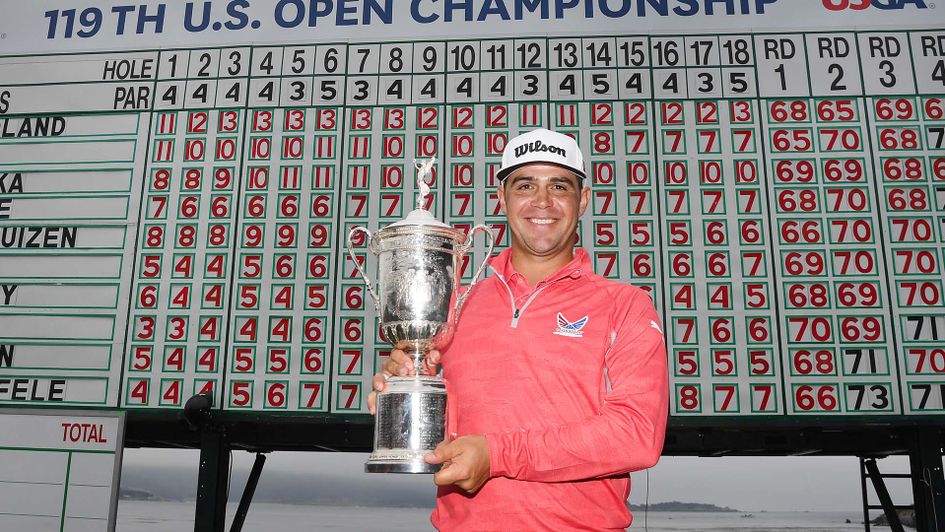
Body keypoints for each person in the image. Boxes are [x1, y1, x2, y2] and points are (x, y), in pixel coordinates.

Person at [368, 128, 668, 531]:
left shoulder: (626, 305)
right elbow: (457, 431)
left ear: (582, 201)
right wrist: (406, 392)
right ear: (502, 198)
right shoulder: (455, 302)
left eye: (559, 186)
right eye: (525, 185)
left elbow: (636, 435)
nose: (542, 201)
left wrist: (497, 454)